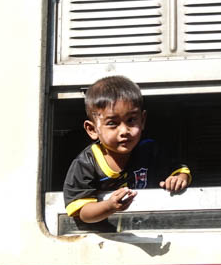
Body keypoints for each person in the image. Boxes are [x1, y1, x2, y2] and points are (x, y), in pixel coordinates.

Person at [63, 76, 191, 223]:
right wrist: (109, 206)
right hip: (107, 233)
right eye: (112, 123)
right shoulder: (86, 164)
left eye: (131, 120)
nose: (124, 131)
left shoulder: (150, 149)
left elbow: (179, 170)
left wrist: (178, 179)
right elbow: (83, 212)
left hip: (150, 224)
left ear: (142, 120)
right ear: (92, 129)